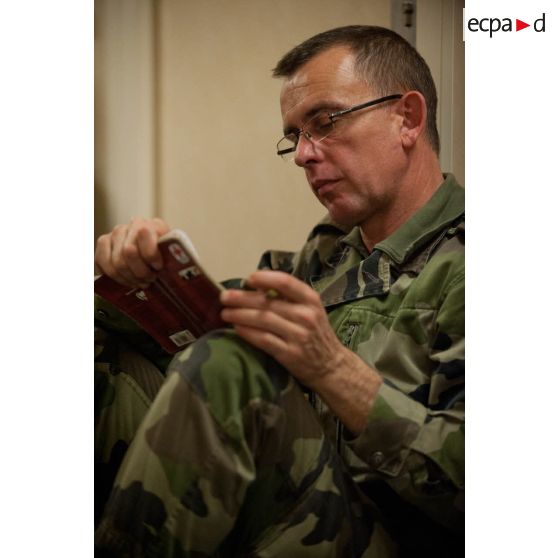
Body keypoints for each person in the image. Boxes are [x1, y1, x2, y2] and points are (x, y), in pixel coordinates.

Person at [94, 25, 464, 557]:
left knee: (229, 364)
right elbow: (183, 342)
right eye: (295, 135)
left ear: (406, 117)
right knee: (104, 346)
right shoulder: (324, 255)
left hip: (397, 537)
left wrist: (335, 372)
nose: (303, 155)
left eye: (325, 122)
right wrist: (127, 281)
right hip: (292, 505)